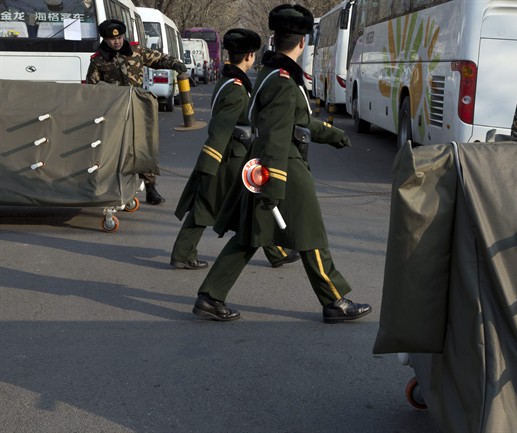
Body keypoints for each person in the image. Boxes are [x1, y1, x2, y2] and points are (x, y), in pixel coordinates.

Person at [191, 4, 372, 324]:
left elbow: (294, 122)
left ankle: (210, 296)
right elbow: (277, 134)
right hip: (283, 166)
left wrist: (331, 135)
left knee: (250, 236)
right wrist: (274, 184)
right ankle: (335, 301)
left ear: (275, 38)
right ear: (303, 41)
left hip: (268, 164)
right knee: (311, 235)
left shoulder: (273, 74)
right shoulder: (283, 80)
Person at [170, 28, 300, 270]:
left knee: (236, 205)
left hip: (232, 155)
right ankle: (183, 253)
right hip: (229, 158)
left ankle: (276, 252)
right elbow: (220, 130)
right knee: (213, 206)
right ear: (250, 56)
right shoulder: (235, 88)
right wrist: (209, 165)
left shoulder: (230, 81)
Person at [86, 19, 187, 204]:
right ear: (105, 40)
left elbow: (158, 58)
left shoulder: (136, 51)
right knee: (114, 149)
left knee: (143, 146)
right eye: (112, 39)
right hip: (114, 111)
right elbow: (92, 89)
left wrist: (175, 64)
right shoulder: (98, 60)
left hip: (138, 107)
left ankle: (151, 188)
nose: (117, 42)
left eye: (120, 37)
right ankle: (113, 187)